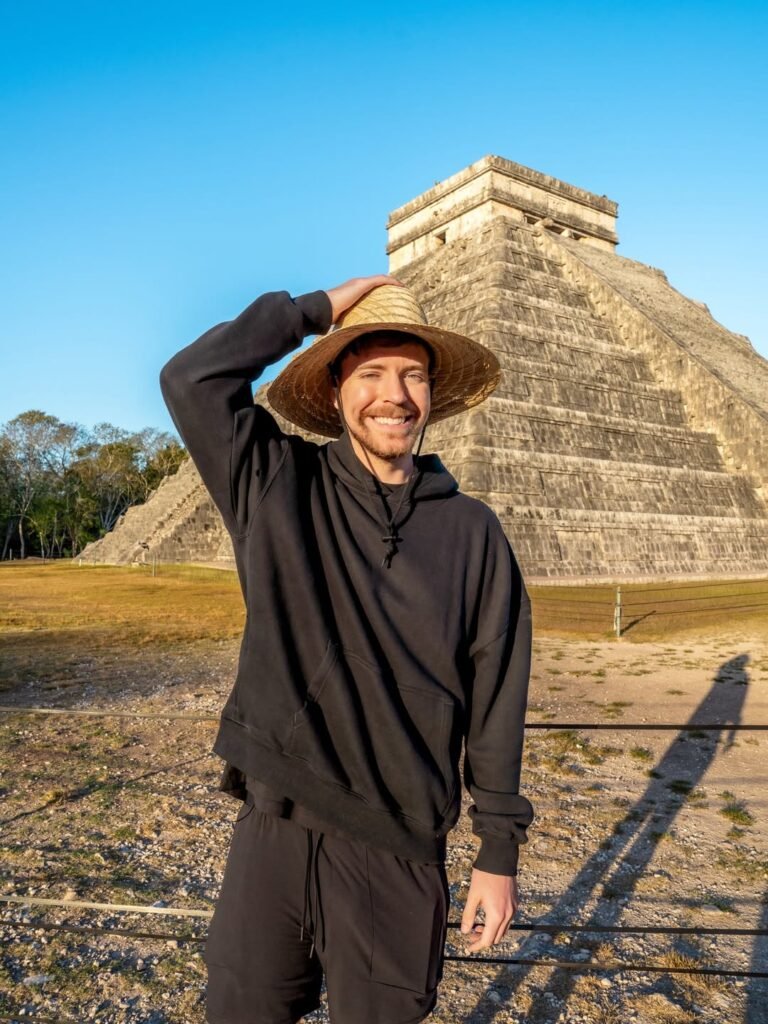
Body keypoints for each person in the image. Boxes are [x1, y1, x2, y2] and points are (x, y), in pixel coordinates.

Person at [159, 274, 534, 1024]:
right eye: (369, 373)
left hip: (398, 848)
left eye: (413, 376)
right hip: (276, 826)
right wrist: (309, 312)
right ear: (335, 393)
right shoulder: (274, 485)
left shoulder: (474, 533)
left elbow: (496, 697)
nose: (394, 395)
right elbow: (190, 379)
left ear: (432, 395)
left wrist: (498, 853)